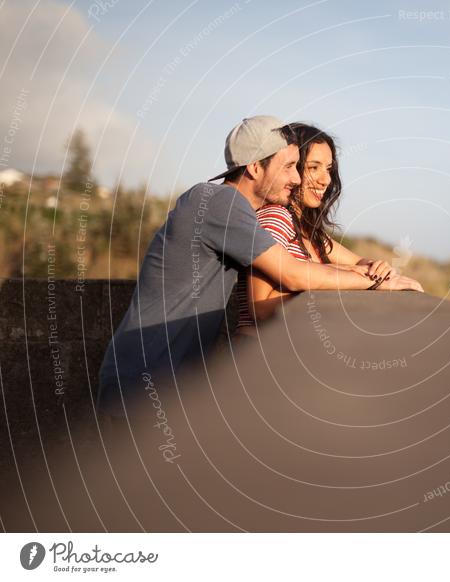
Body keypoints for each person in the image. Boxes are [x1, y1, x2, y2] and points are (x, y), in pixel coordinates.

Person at [97, 115, 422, 417]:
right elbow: (291, 274)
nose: (296, 179)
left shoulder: (236, 213)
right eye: (290, 167)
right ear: (254, 167)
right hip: (143, 379)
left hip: (164, 379)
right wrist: (374, 283)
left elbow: (322, 257)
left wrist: (369, 271)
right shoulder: (218, 202)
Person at [235, 123, 421, 331]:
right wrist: (346, 279)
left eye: (329, 169)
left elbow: (358, 262)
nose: (326, 180)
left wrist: (377, 268)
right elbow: (260, 307)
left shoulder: (311, 234)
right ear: (292, 168)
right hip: (259, 351)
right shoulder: (275, 218)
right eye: (314, 168)